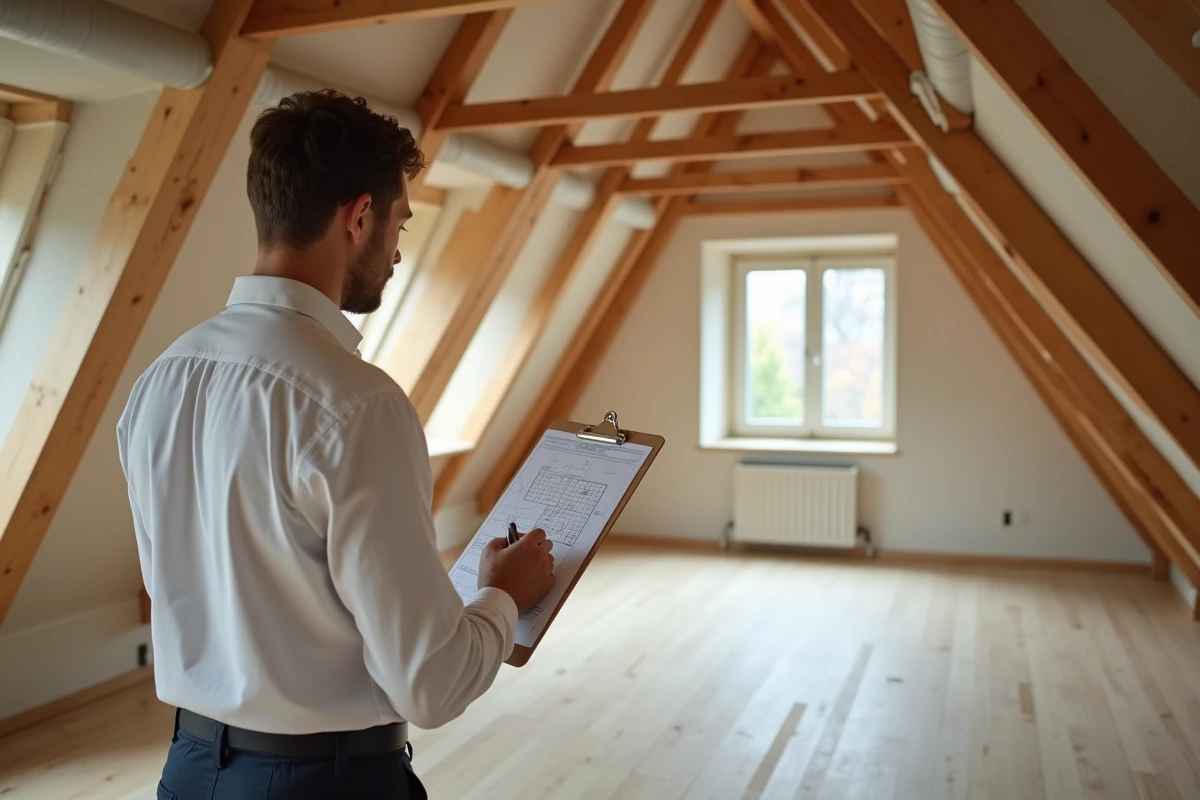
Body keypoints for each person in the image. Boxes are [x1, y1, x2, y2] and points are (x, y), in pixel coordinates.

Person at [117, 90, 556, 799]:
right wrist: (504, 599)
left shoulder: (160, 382)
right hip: (323, 784)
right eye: (400, 223)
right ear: (359, 218)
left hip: (186, 773)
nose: (400, 251)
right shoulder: (359, 405)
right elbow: (432, 685)